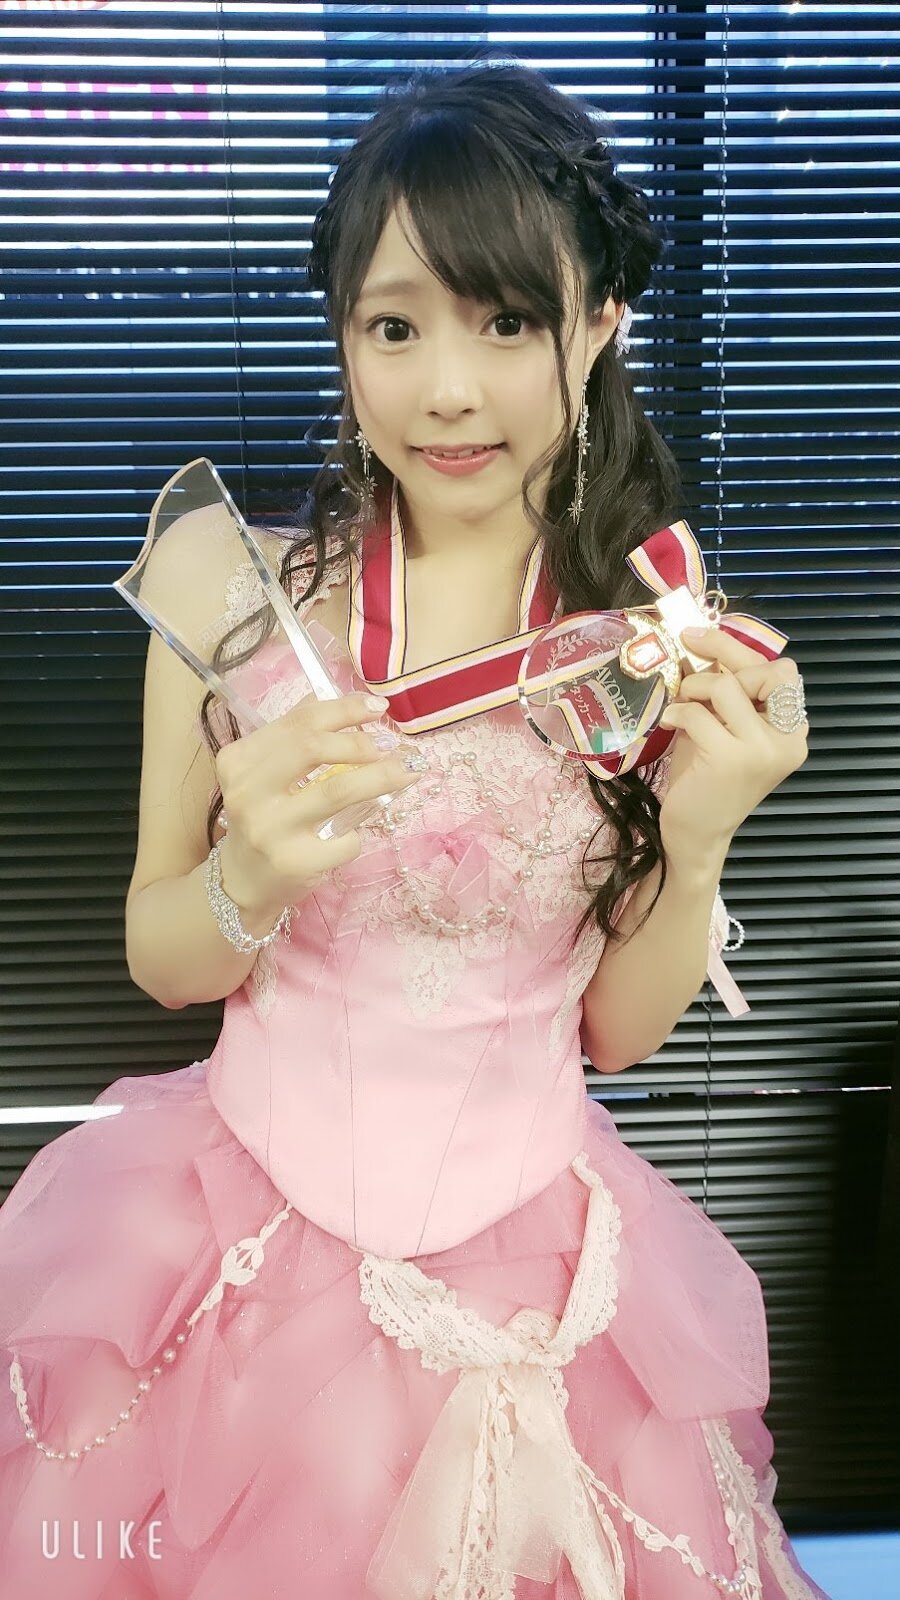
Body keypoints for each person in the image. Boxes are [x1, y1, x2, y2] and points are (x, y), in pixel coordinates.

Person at [0, 58, 826, 1600]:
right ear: (342, 335)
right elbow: (165, 959)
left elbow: (618, 1035)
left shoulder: (645, 644)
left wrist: (703, 829)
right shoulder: (232, 606)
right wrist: (247, 878)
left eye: (506, 322)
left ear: (600, 325)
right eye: (395, 327)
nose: (447, 388)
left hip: (533, 1259)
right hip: (231, 1240)